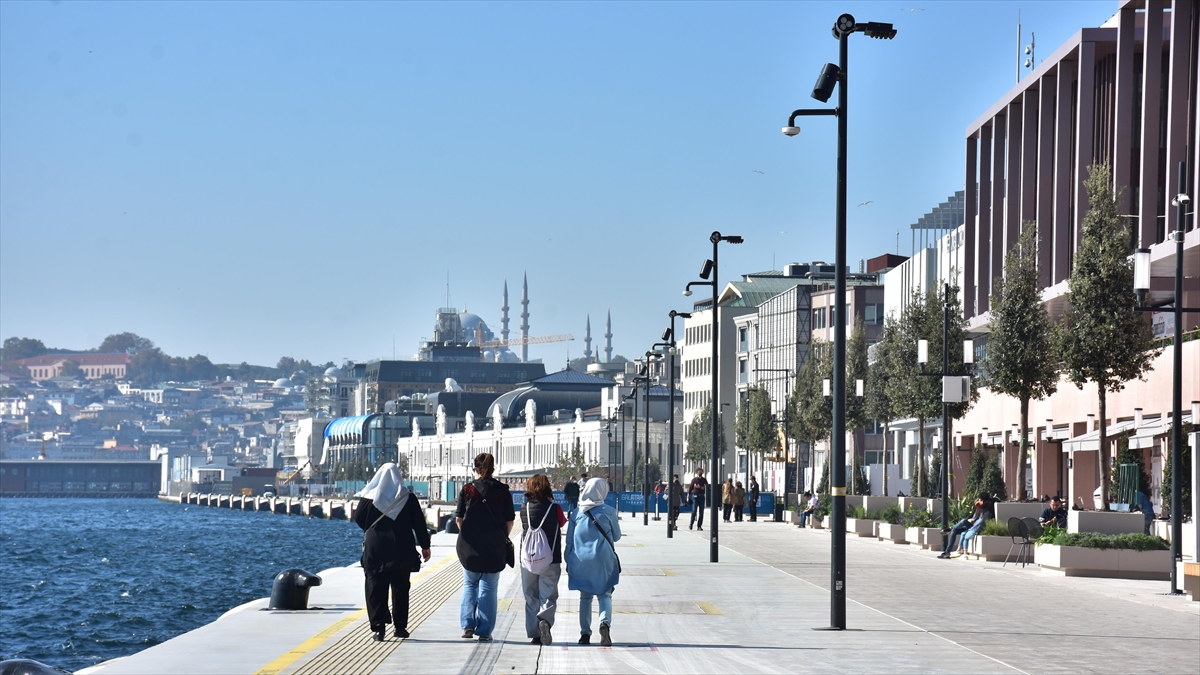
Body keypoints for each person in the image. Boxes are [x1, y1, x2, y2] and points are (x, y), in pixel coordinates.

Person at [354, 463, 431, 641]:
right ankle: (400, 627)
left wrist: (372, 530)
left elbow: (358, 517)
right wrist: (425, 546)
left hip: (376, 548)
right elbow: (419, 524)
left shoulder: (369, 498)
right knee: (401, 587)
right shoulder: (408, 497)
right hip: (401, 548)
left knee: (375, 586)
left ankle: (379, 628)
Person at [455, 453, 515, 642]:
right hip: (494, 547)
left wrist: (469, 534)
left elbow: (458, 519)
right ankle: (485, 630)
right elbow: (510, 521)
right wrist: (501, 536)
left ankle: (467, 626)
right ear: (493, 468)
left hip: (470, 548)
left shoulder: (467, 490)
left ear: (476, 469)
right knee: (489, 587)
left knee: (470, 584)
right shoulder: (503, 491)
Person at [566, 477, 622, 646]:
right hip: (603, 558)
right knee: (605, 593)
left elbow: (569, 541)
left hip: (581, 559)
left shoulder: (576, 513)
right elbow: (617, 536)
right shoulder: (609, 511)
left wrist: (568, 560)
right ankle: (604, 623)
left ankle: (585, 634)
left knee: (585, 596)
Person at [519, 474, 566, 646]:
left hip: (528, 561)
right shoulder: (556, 509)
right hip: (550, 559)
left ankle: (535, 634)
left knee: (531, 596)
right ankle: (545, 620)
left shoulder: (524, 509)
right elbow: (562, 523)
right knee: (548, 595)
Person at [940, 492, 991, 559]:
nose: (978, 501)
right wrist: (970, 519)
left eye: (979, 500)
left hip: (973, 527)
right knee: (955, 530)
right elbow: (973, 516)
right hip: (971, 524)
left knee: (962, 522)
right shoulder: (978, 507)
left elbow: (980, 522)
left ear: (983, 501)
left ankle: (950, 528)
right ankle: (947, 552)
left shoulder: (987, 510)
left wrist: (972, 521)